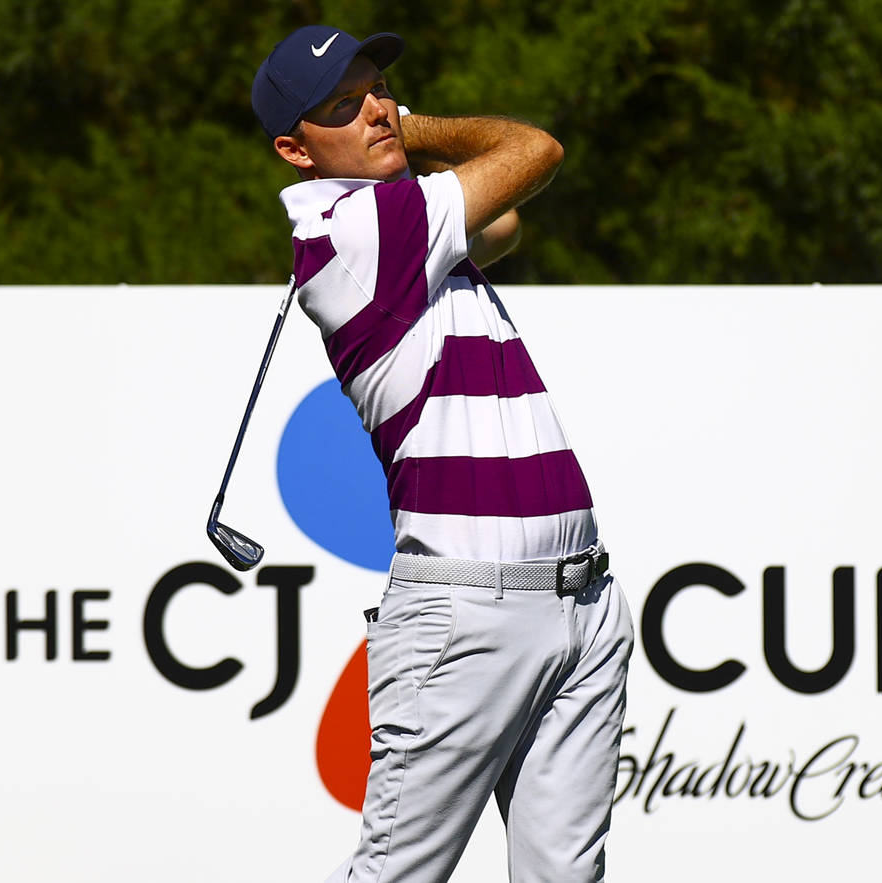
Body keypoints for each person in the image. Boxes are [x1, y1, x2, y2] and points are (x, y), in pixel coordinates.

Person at [251, 25, 634, 883]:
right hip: (467, 613)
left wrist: (381, 131)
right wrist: (412, 128)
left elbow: (503, 224)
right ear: (294, 149)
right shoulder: (356, 229)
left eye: (379, 87)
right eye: (342, 107)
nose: (375, 109)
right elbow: (535, 150)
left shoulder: (407, 221)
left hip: (581, 600)